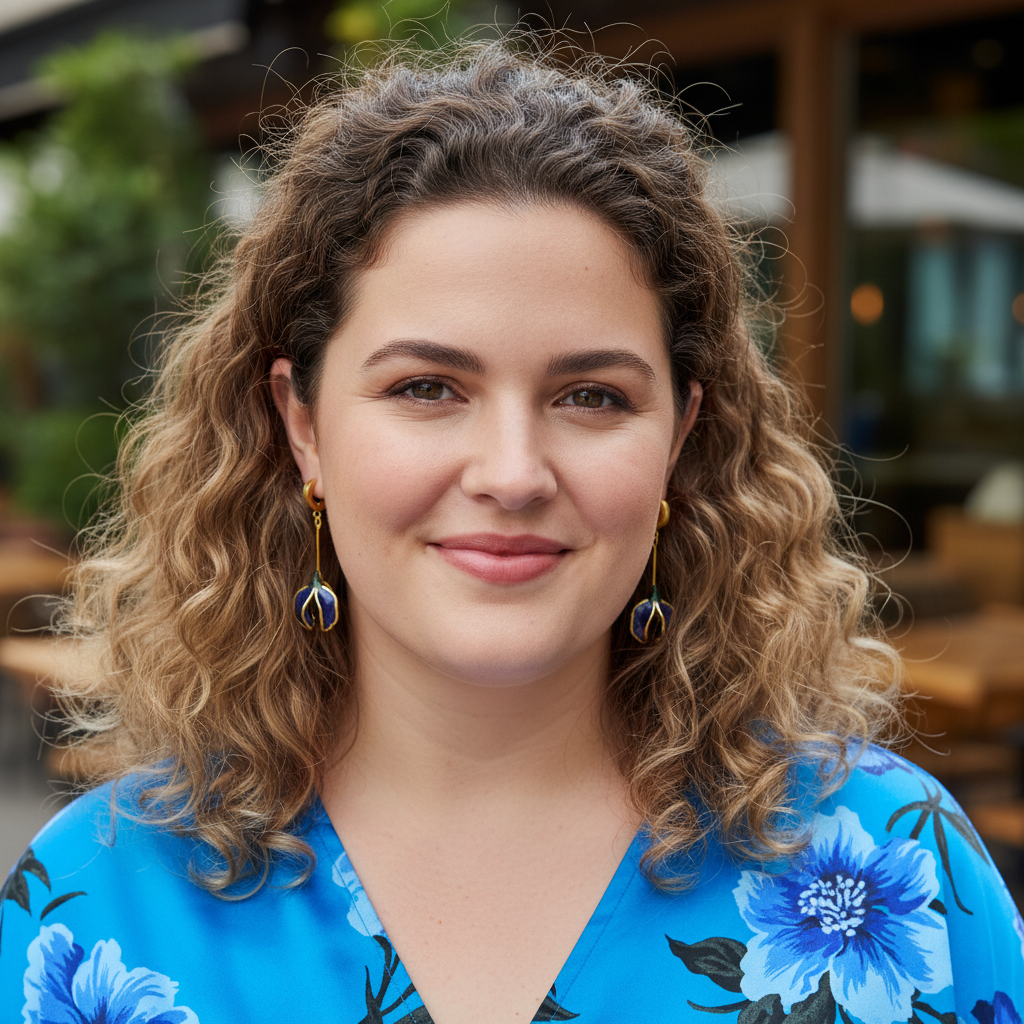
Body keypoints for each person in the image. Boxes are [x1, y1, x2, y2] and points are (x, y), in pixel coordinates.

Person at [2, 36, 1022, 1024]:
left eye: (591, 396)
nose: (512, 474)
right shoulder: (90, 910)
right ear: (301, 425)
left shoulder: (902, 872)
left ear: (680, 436)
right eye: (427, 386)